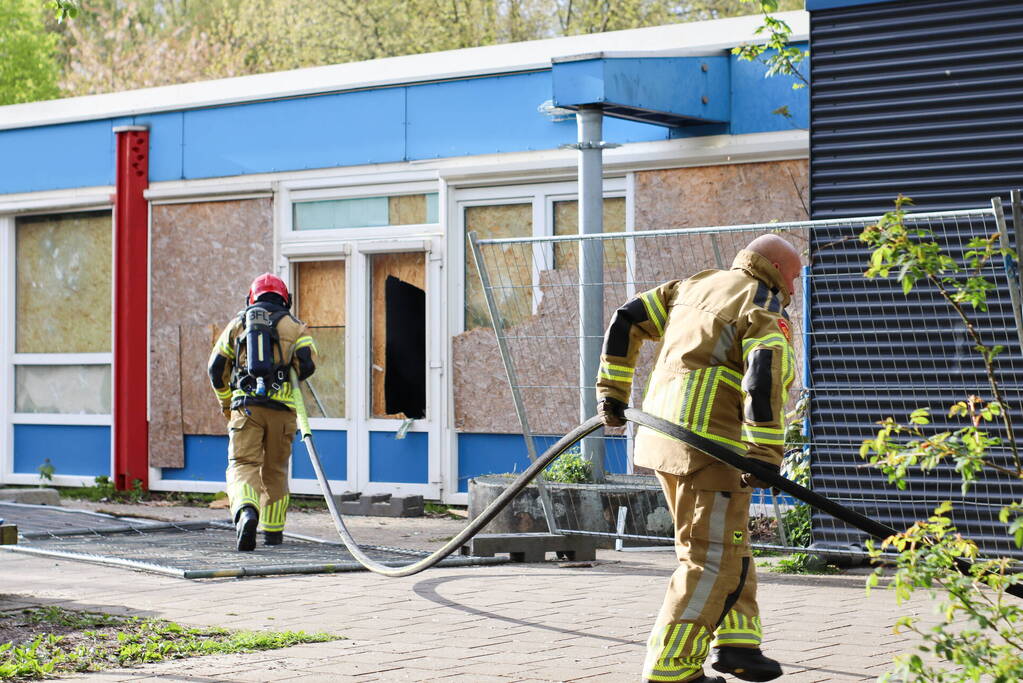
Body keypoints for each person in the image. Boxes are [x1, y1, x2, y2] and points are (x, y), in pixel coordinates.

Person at [596, 234, 800, 683]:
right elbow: (764, 374)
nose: (796, 287)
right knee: (708, 558)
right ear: (779, 270)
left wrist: (612, 392)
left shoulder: (694, 284)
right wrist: (765, 451)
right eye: (796, 275)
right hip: (714, 447)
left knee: (729, 543)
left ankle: (739, 643)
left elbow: (626, 318)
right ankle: (673, 667)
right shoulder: (762, 303)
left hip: (664, 439)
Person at [208, 273, 317, 551]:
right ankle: (273, 533)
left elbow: (215, 368)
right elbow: (307, 364)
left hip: (246, 409)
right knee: (276, 470)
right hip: (283, 413)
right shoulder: (296, 327)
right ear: (286, 299)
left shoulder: (238, 324)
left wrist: (226, 402)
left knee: (243, 464)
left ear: (251, 298)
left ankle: (246, 512)